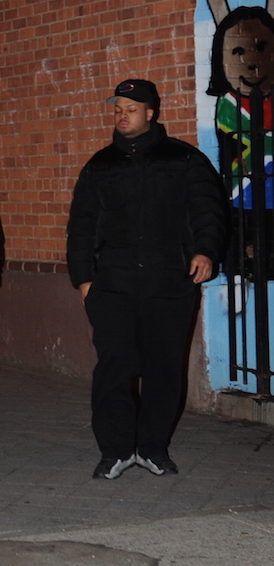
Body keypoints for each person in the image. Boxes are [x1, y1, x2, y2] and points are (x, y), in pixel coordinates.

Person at [67, 79, 227, 480]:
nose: (122, 114)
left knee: (163, 370)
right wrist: (84, 280)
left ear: (151, 113)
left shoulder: (183, 160)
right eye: (118, 107)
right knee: (113, 371)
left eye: (131, 108)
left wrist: (205, 252)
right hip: (113, 288)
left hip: (169, 285)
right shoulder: (99, 165)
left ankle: (153, 449)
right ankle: (116, 451)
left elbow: (209, 210)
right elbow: (81, 226)